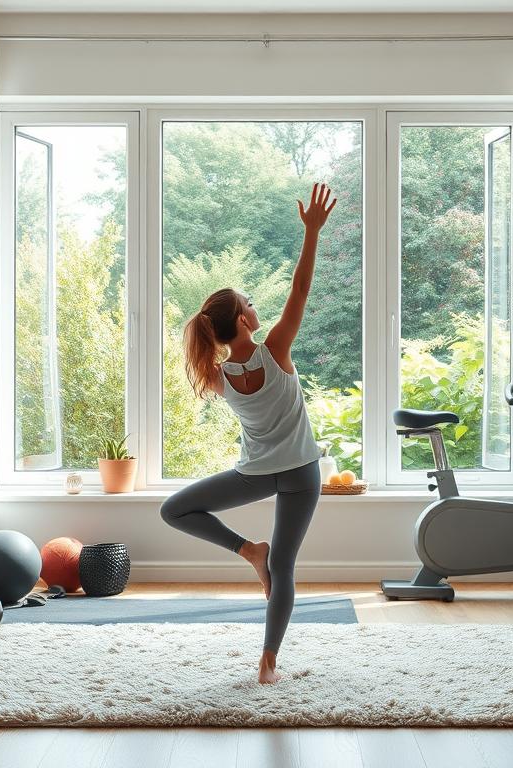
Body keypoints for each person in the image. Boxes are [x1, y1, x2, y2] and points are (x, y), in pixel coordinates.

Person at [161, 182, 337, 684]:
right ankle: (268, 663)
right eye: (252, 304)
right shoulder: (276, 349)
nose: (259, 309)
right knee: (282, 568)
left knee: (174, 509)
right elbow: (300, 290)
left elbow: (290, 298)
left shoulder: (218, 376)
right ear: (244, 319)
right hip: (301, 473)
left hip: (256, 475)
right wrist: (312, 232)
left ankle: (245, 550)